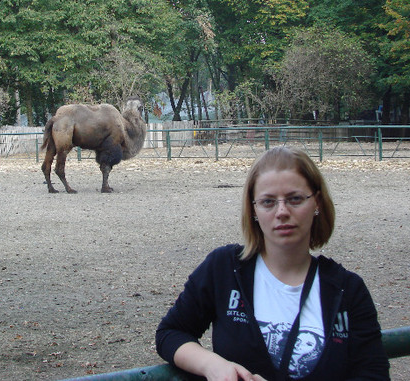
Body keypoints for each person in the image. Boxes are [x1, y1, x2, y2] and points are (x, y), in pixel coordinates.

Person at [156, 147, 390, 381]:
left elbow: (373, 374)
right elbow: (171, 332)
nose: (282, 212)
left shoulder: (348, 290)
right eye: (268, 202)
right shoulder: (223, 269)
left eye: (295, 199)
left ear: (317, 202)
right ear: (254, 209)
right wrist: (214, 366)